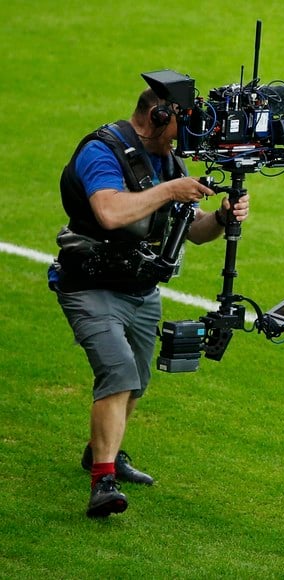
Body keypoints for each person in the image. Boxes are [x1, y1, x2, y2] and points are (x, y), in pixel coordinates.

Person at [49, 73, 250, 517]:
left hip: (141, 288)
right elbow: (109, 211)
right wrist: (170, 190)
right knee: (118, 373)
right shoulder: (102, 151)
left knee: (137, 380)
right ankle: (103, 481)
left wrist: (219, 217)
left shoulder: (169, 159)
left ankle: (102, 450)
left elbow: (194, 232)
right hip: (91, 286)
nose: (197, 134)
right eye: (189, 122)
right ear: (159, 117)